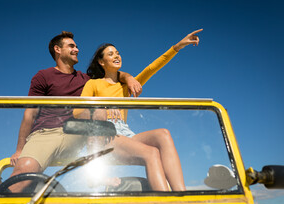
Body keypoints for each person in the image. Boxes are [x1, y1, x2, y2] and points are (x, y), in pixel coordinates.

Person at [9, 31, 142, 193]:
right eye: (71, 46)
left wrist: (129, 78)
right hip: (47, 133)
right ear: (57, 49)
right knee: (24, 173)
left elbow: (112, 74)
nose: (77, 49)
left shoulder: (86, 80)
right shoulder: (43, 76)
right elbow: (30, 114)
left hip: (78, 135)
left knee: (98, 112)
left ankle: (96, 174)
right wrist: (19, 149)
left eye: (76, 46)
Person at [75, 29, 203, 191]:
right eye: (111, 54)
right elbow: (77, 112)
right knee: (151, 153)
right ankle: (167, 202)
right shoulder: (93, 84)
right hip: (105, 135)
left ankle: (181, 195)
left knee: (163, 134)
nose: (116, 56)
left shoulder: (128, 84)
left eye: (118, 53)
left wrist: (177, 47)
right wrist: (102, 109)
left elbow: (152, 68)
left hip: (126, 133)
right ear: (101, 62)